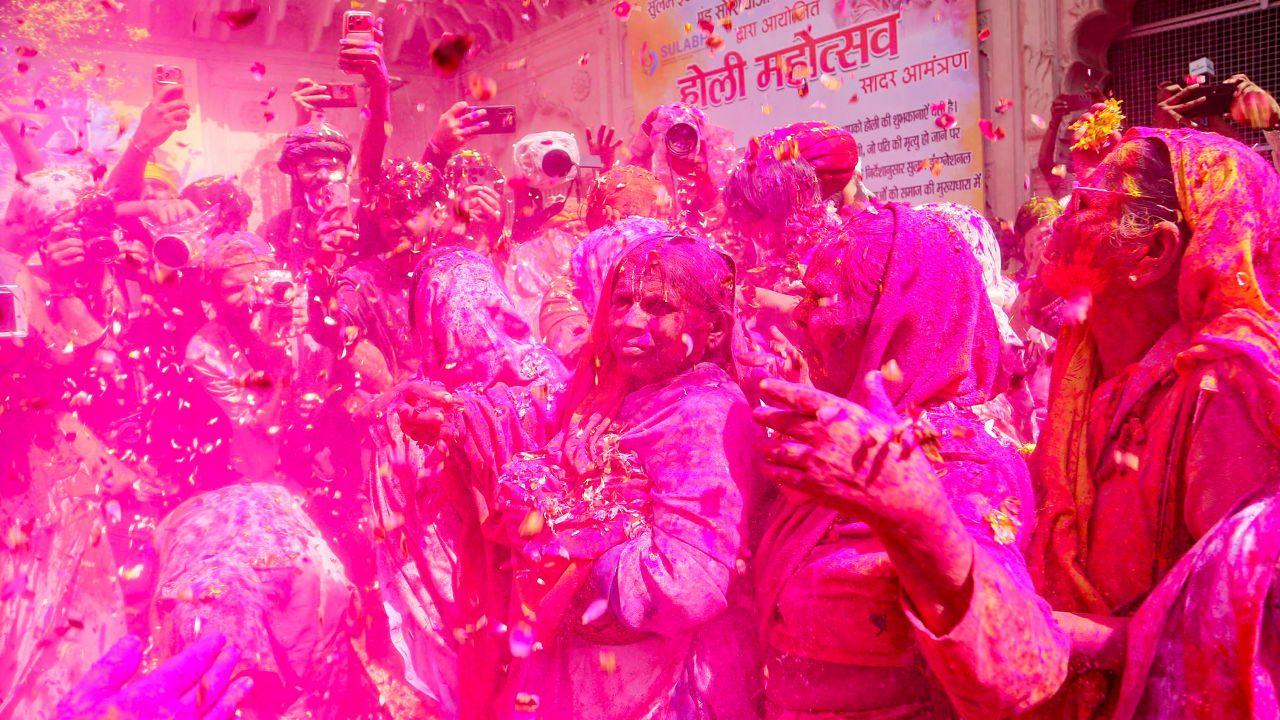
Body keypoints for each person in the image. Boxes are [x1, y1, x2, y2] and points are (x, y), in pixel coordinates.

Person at [752, 202, 1069, 719]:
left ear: (895, 318)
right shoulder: (849, 437)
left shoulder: (965, 467)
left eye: (820, 297)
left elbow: (1022, 674)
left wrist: (915, 514)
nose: (800, 313)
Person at [1029, 127, 1280, 717]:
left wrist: (1088, 638)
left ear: (1154, 253)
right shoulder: (1083, 358)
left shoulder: (1223, 394)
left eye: (1088, 203)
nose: (1062, 212)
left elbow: (1240, 633)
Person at [486, 232, 759, 719]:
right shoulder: (617, 394)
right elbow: (546, 467)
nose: (631, 322)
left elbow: (688, 582)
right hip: (594, 673)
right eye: (622, 301)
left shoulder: (705, 413)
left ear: (714, 329)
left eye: (657, 306)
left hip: (661, 683)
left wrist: (576, 552)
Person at [365, 241, 566, 719]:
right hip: (493, 577)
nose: (471, 327)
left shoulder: (540, 377)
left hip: (526, 569)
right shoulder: (417, 405)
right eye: (454, 311)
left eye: (482, 310)